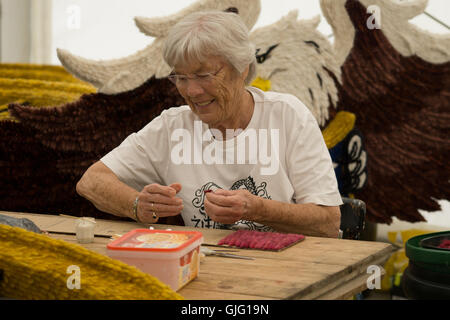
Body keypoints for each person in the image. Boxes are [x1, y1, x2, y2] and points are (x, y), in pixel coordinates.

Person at [76, 11, 342, 237]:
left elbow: (329, 222)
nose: (191, 91)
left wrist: (256, 209)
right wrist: (136, 204)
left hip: (291, 272)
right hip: (206, 270)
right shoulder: (173, 126)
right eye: (180, 77)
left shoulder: (287, 116)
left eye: (203, 75)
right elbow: (91, 181)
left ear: (243, 69)